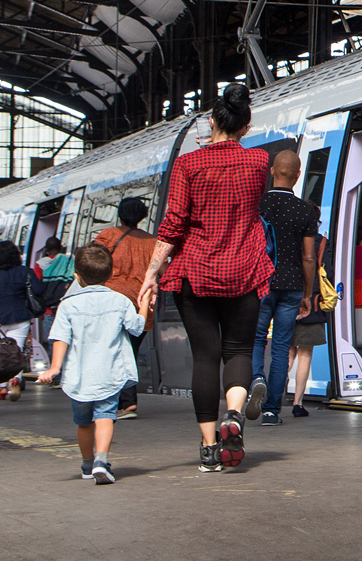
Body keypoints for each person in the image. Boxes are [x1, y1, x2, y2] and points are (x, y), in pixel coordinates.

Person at [138, 83, 274, 473]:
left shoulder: (188, 164)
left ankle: (210, 446)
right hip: (244, 271)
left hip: (194, 272)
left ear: (211, 121)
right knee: (239, 352)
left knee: (205, 357)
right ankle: (234, 414)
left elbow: (174, 223)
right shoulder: (258, 163)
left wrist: (151, 274)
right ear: (245, 128)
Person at [38, 243, 149, 485]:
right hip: (110, 374)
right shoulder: (120, 301)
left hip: (79, 377)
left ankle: (87, 465)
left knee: (84, 423)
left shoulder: (68, 305)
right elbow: (137, 327)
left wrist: (55, 368)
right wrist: (146, 299)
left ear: (76, 276)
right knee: (105, 417)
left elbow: (60, 338)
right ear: (110, 274)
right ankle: (102, 459)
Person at [250, 150, 317, 426]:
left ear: (272, 171)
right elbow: (309, 257)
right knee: (281, 347)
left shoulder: (258, 205)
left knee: (256, 339)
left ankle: (256, 377)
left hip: (261, 282)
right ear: (298, 175)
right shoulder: (305, 210)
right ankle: (270, 410)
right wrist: (307, 293)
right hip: (291, 286)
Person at [95, 197, 158, 420]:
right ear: (142, 215)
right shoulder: (153, 242)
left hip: (111, 301)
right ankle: (128, 402)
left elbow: (93, 262)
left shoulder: (109, 236)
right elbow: (164, 270)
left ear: (120, 213)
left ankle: (117, 402)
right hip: (141, 304)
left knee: (110, 351)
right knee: (129, 351)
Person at [287, 202, 333, 418]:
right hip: (313, 303)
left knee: (286, 352)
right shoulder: (323, 242)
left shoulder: (289, 239)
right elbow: (329, 272)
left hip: (288, 300)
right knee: (305, 354)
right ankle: (298, 403)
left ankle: (271, 395)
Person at [0, 240, 44, 401]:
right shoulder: (24, 271)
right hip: (20, 317)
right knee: (16, 351)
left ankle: (2, 388)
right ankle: (15, 379)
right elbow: (38, 290)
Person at [34, 236, 63, 357]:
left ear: (46, 250)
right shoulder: (69, 261)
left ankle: (56, 370)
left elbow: (37, 288)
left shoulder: (40, 265)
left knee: (53, 340)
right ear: (61, 248)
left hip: (48, 309)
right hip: (64, 307)